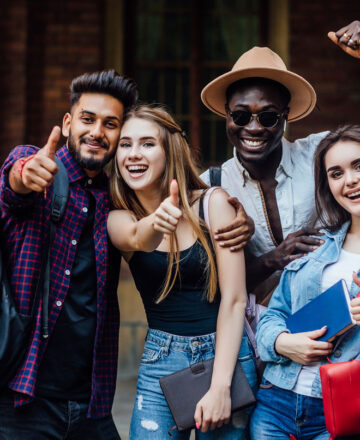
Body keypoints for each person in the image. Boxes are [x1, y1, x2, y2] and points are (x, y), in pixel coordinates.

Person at [0, 70, 138, 439]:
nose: (97, 132)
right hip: (24, 400)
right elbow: (14, 185)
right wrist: (23, 175)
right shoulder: (37, 166)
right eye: (88, 119)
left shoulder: (118, 199)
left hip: (92, 405)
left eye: (110, 124)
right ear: (68, 122)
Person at [107, 104, 257, 439]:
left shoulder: (213, 204)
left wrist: (221, 387)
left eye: (147, 143)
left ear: (169, 149)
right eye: (125, 144)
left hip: (228, 356)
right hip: (161, 360)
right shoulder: (119, 218)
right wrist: (156, 222)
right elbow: (135, 237)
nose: (134, 154)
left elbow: (233, 300)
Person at [200, 21, 360, 304]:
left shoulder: (321, 154)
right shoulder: (211, 186)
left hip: (337, 326)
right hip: (256, 338)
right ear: (226, 115)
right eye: (240, 116)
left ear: (285, 117)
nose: (253, 128)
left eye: (268, 117)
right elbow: (208, 290)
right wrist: (271, 260)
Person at [250, 125, 360, 439]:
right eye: (336, 173)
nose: (349, 180)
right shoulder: (316, 246)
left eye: (358, 166)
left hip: (342, 412)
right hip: (275, 403)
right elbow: (273, 316)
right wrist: (282, 343)